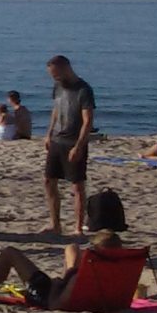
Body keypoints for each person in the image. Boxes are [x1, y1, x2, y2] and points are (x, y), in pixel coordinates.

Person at [0, 230, 127, 309]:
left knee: (10, 253)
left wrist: (56, 285)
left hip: (46, 296)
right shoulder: (121, 266)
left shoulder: (88, 271)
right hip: (92, 297)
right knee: (72, 248)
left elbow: (58, 303)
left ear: (96, 249)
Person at [42, 55, 96, 235]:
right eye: (52, 75)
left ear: (66, 68)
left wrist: (79, 146)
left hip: (73, 141)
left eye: (56, 74)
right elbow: (56, 110)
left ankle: (78, 227)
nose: (54, 78)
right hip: (57, 139)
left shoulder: (84, 89)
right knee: (49, 181)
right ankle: (55, 224)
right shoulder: (58, 87)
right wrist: (48, 133)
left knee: (77, 186)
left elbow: (88, 121)